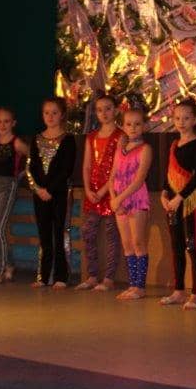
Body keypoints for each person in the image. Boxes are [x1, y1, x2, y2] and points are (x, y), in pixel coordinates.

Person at [159, 98, 196, 311]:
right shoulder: (174, 145)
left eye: (186, 118)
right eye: (177, 118)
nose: (181, 122)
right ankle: (178, 291)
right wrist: (164, 194)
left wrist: (180, 198)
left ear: (195, 120)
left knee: (191, 246)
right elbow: (169, 173)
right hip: (172, 203)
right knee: (176, 246)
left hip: (188, 203)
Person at [26, 97, 76, 289]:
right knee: (44, 234)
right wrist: (38, 188)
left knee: (60, 233)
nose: (50, 116)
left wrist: (50, 189)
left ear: (62, 115)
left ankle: (62, 276)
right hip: (40, 194)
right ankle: (43, 276)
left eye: (54, 113)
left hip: (60, 193)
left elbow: (66, 169)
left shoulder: (68, 139)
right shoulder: (36, 139)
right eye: (46, 113)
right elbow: (31, 167)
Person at [78, 92, 124, 291]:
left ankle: (109, 278)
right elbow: (87, 165)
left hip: (111, 192)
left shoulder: (120, 136)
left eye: (108, 109)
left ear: (116, 111)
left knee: (111, 234)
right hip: (93, 193)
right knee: (88, 232)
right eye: (99, 110)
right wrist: (88, 189)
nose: (104, 113)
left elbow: (117, 167)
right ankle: (92, 275)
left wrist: (105, 189)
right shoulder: (91, 137)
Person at [109, 105, 153, 301]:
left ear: (144, 126)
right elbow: (113, 176)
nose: (133, 128)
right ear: (123, 126)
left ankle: (140, 287)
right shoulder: (120, 149)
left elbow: (139, 179)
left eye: (137, 124)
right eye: (128, 124)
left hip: (135, 198)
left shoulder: (145, 149)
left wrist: (119, 198)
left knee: (138, 242)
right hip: (119, 200)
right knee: (127, 244)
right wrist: (113, 197)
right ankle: (132, 284)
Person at [0, 106, 29, 284]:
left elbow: (33, 156)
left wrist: (23, 174)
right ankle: (9, 264)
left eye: (6, 121)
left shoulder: (16, 143)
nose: (2, 125)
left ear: (13, 123)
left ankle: (0, 270)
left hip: (8, 184)